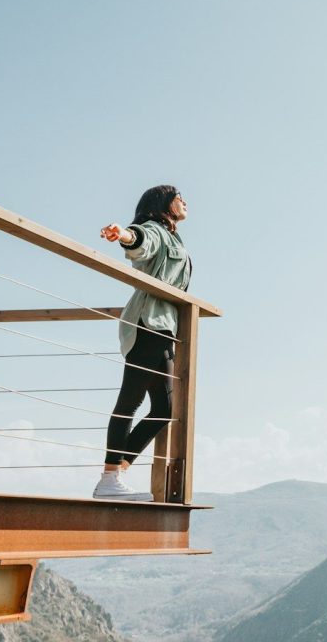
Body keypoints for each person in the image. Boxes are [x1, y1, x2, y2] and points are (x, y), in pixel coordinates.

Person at [93, 185, 191, 501]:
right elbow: (140, 243)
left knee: (164, 409)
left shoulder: (174, 237)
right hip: (148, 323)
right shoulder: (154, 229)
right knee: (131, 400)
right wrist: (123, 234)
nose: (185, 202)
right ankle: (109, 479)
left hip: (164, 327)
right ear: (163, 204)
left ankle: (117, 472)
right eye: (179, 198)